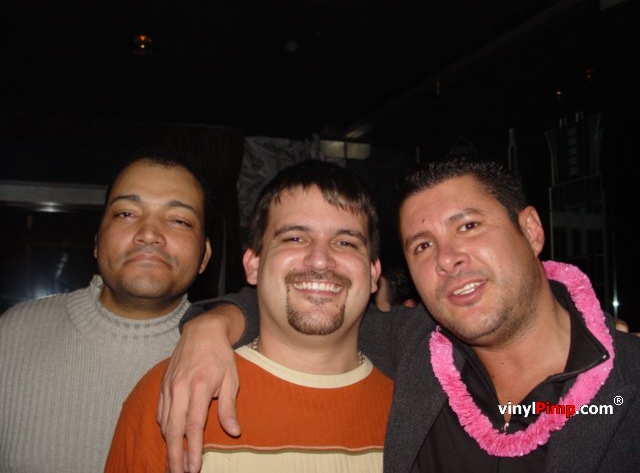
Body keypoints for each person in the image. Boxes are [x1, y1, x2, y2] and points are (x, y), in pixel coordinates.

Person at [159, 157, 640, 473]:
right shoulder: (416, 349)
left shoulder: (626, 385)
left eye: (469, 226)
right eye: (423, 245)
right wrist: (212, 324)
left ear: (531, 229)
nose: (448, 259)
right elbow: (314, 301)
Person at [105, 160, 393, 471]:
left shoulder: (416, 413)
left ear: (374, 273)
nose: (320, 260)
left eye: (345, 243)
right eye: (295, 238)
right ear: (253, 264)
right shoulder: (172, 397)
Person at [0, 149, 212, 472]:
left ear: (204, 257)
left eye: (179, 220)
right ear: (98, 242)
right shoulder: (13, 335)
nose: (149, 234)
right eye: (126, 213)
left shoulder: (227, 353)